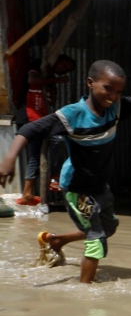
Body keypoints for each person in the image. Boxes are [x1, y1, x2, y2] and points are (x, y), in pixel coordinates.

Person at [0, 60, 131, 283]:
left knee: (109, 227)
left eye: (119, 91)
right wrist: (8, 159)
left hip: (99, 185)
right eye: (108, 88)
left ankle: (57, 241)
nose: (113, 96)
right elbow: (30, 129)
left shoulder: (116, 108)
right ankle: (86, 293)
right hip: (77, 188)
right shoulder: (72, 115)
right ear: (90, 83)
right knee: (97, 240)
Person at [15, 55, 77, 206]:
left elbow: (52, 100)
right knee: (44, 149)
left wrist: (54, 84)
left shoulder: (50, 80)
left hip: (41, 119)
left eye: (67, 70)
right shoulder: (38, 65)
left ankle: (32, 191)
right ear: (58, 59)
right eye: (64, 65)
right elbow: (32, 80)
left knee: (53, 144)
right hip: (30, 117)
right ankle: (45, 183)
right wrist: (56, 81)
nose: (63, 70)